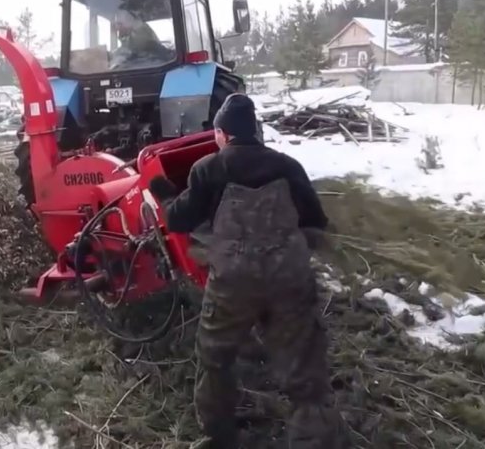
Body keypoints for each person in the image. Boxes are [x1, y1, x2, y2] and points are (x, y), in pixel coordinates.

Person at [148, 93, 347, 449]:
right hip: (290, 279)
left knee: (215, 358)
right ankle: (312, 440)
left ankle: (220, 436)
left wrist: (163, 194)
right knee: (305, 366)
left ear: (222, 134)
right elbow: (316, 220)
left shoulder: (208, 168)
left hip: (233, 284)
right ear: (255, 131)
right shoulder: (288, 166)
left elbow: (179, 219)